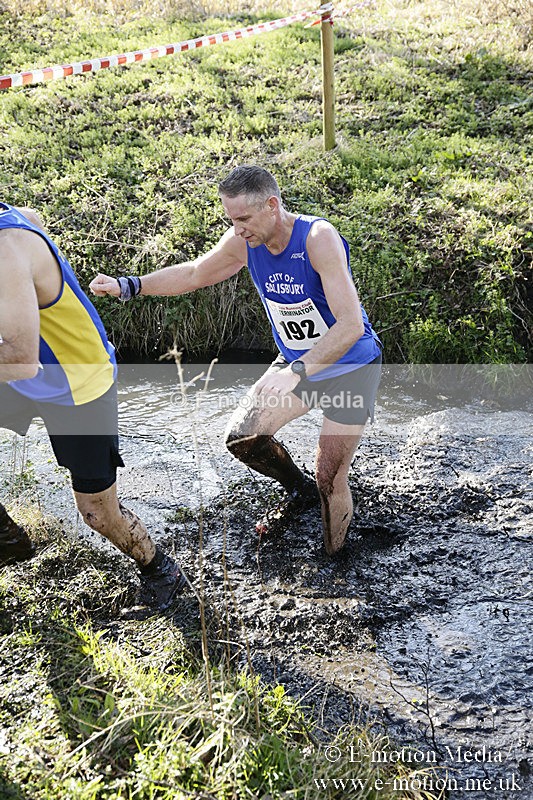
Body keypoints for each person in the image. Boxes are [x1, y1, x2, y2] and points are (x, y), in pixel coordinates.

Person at [90, 166, 382, 555]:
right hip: (297, 362)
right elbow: (195, 273)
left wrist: (297, 373)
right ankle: (299, 491)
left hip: (350, 364)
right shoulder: (244, 243)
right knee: (243, 439)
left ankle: (335, 560)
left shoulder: (317, 238)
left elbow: (350, 327)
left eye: (243, 218)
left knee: (329, 476)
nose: (237, 229)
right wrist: (131, 286)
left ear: (272, 206)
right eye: (231, 219)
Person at [0, 202, 187, 611]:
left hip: (77, 383)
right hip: (25, 372)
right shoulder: (18, 225)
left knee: (98, 515)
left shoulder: (7, 247)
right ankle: (8, 540)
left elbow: (19, 359)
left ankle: (162, 570)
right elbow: (33, 215)